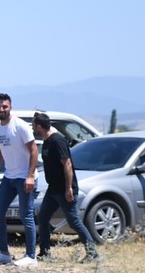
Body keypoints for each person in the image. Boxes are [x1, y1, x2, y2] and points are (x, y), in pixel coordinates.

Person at [33, 112, 99, 263]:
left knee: (73, 221)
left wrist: (69, 188)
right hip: (53, 189)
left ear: (38, 126)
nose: (33, 129)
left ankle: (92, 253)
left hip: (64, 189)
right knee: (42, 217)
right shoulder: (47, 141)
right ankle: (45, 252)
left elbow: (67, 164)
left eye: (34, 126)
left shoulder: (57, 141)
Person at [0, 94, 38, 266]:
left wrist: (30, 175)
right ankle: (4, 252)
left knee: (26, 216)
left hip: (24, 177)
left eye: (4, 106)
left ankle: (31, 256)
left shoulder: (20, 126)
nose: (1, 109)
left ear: (10, 107)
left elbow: (34, 150)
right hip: (9, 176)